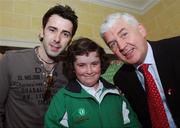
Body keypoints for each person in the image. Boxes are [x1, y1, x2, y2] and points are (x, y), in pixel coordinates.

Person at [0, 4, 78, 128]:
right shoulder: (11, 60)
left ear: (70, 40)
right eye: (52, 30)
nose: (57, 39)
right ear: (42, 32)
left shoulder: (70, 69)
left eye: (65, 34)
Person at [100, 12, 180, 128]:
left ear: (141, 30)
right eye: (113, 44)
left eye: (124, 34)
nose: (121, 47)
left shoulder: (176, 48)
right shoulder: (121, 78)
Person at [44, 37, 141, 128]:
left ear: (101, 63)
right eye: (82, 65)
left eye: (94, 64)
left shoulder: (116, 94)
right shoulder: (63, 98)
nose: (89, 71)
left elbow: (132, 124)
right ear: (73, 67)